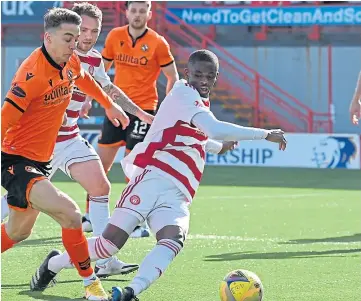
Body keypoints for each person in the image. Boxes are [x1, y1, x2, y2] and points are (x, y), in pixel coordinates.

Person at [33, 49, 287, 301]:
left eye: (210, 77)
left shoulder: (197, 102)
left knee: (173, 240)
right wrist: (264, 134)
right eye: (198, 75)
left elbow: (195, 137)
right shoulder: (183, 93)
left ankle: (130, 291)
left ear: (216, 77)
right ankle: (54, 263)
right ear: (187, 73)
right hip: (151, 178)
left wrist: (219, 147)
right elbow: (213, 129)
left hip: (177, 194)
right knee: (108, 246)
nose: (204, 81)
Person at [1, 2, 147, 278]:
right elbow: (5, 119)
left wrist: (108, 105)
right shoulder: (31, 75)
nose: (80, 41)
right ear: (50, 37)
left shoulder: (76, 59)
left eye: (88, 33)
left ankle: (100, 263)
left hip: (58, 145)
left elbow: (87, 81)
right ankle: (91, 282)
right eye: (72, 37)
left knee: (22, 229)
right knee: (54, 215)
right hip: (21, 154)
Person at [81, 0, 179, 237]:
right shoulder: (115, 36)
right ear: (126, 12)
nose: (137, 14)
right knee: (99, 166)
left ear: (149, 13)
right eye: (133, 10)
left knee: (134, 169)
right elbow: (95, 71)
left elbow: (172, 76)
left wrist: (167, 109)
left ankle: (135, 221)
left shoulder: (158, 43)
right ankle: (90, 216)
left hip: (144, 111)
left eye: (142, 10)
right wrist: (87, 99)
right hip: (115, 110)